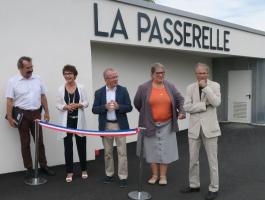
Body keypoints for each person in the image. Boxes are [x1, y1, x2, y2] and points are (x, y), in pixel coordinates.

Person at [134, 63, 185, 185]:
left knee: (165, 150)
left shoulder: (170, 86)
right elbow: (137, 103)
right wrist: (146, 114)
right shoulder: (143, 87)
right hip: (149, 124)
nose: (161, 75)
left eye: (163, 73)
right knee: (151, 150)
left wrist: (181, 111)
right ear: (152, 74)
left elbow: (180, 99)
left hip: (167, 124)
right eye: (158, 73)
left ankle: (163, 176)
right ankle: (154, 175)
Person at [5, 56, 55, 178]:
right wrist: (10, 117)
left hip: (36, 114)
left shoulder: (38, 79)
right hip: (22, 114)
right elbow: (10, 100)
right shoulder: (13, 81)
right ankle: (29, 168)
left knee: (40, 141)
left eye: (31, 67)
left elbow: (43, 97)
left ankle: (43, 166)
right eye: (28, 68)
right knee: (25, 142)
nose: (31, 69)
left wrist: (47, 112)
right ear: (20, 68)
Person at [180, 63, 221, 200]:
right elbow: (186, 107)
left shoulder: (215, 86)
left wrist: (206, 88)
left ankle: (214, 188)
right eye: (199, 73)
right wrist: (203, 105)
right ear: (195, 74)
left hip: (210, 129)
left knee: (212, 160)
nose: (201, 75)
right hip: (194, 128)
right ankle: (194, 185)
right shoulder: (190, 88)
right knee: (193, 159)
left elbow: (216, 103)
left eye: (204, 73)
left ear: (207, 74)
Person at [92, 68, 132, 188]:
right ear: (106, 79)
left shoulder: (123, 90)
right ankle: (109, 174)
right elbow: (94, 109)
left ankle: (123, 177)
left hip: (120, 125)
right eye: (113, 77)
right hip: (106, 125)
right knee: (108, 152)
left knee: (122, 153)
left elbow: (129, 107)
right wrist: (104, 107)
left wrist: (119, 106)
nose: (116, 79)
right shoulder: (99, 92)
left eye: (116, 76)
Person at [56, 65, 89, 183]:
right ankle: (69, 172)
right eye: (65, 73)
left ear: (75, 75)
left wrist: (78, 105)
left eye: (70, 73)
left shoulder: (81, 87)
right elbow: (58, 105)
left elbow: (86, 103)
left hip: (79, 120)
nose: (68, 76)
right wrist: (65, 106)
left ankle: (84, 169)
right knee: (68, 147)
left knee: (81, 145)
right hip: (67, 121)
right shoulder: (60, 89)